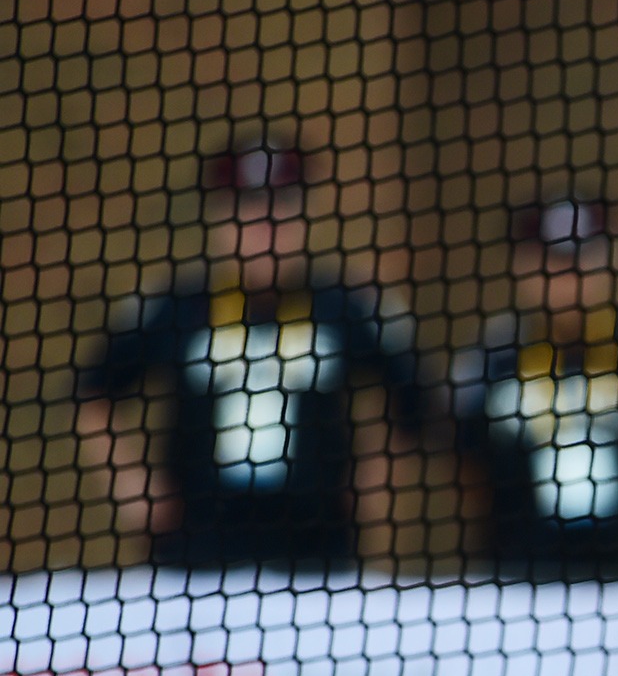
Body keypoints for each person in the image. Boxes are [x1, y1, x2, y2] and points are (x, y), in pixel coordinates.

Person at [75, 127, 424, 567]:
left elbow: (411, 396)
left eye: (282, 206)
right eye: (248, 208)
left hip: (316, 553)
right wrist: (134, 487)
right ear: (220, 215)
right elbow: (94, 392)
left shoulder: (348, 305)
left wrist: (374, 482)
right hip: (196, 554)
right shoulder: (175, 306)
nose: (265, 226)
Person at [449, 191, 618, 581]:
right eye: (551, 263)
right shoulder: (491, 358)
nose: (566, 280)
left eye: (580, 262)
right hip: (516, 576)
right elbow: (467, 471)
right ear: (522, 266)